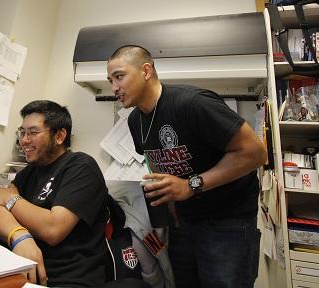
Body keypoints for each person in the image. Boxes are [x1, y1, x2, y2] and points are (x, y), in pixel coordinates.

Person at [106, 45, 268, 288]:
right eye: (110, 80)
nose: (114, 87)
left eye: (119, 76)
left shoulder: (192, 103)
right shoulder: (135, 120)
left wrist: (191, 185)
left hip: (227, 221)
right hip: (184, 223)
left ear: (146, 71)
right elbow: (158, 163)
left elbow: (255, 152)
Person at [0, 100, 109, 287]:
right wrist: (19, 237)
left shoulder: (81, 166)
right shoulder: (29, 171)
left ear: (59, 136)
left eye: (33, 132)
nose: (24, 140)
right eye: (22, 132)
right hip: (24, 267)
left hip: (65, 278)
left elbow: (53, 229)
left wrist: (11, 199)